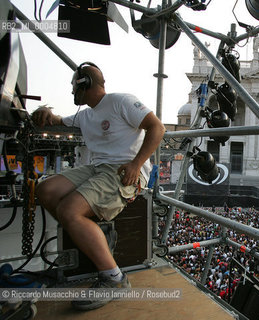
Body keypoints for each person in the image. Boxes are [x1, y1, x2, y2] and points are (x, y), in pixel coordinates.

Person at [31, 62, 165, 310]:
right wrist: (45, 112)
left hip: (123, 172)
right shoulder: (85, 114)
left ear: (85, 84)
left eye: (74, 87)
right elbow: (59, 119)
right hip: (96, 169)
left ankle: (114, 279)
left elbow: (157, 127)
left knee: (69, 211)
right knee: (46, 191)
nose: (72, 93)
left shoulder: (121, 101)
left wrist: (136, 164)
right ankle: (94, 233)